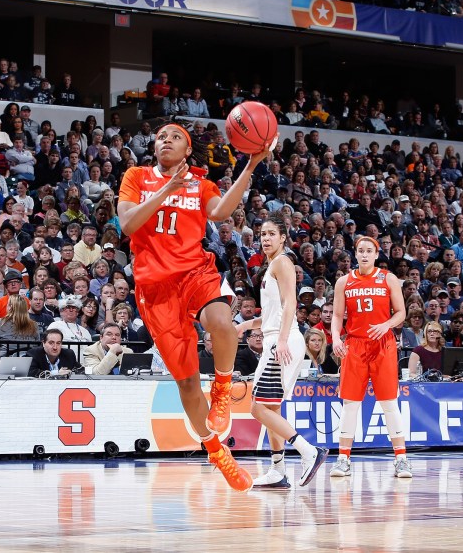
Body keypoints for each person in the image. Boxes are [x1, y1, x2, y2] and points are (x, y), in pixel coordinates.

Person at [117, 122, 270, 491]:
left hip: (195, 272)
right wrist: (167, 190)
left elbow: (219, 214)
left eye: (174, 137)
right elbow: (127, 223)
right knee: (186, 383)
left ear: (188, 151)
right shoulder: (136, 176)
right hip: (155, 288)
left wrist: (250, 167)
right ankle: (216, 452)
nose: (165, 140)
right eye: (160, 137)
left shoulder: (202, 184)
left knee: (220, 319)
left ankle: (222, 385)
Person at [235, 213, 327, 488]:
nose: (265, 238)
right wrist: (245, 326)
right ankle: (277, 470)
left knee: (257, 407)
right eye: (262, 234)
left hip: (281, 341)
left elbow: (290, 305)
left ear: (283, 237)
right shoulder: (271, 266)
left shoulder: (283, 262)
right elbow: (273, 314)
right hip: (276, 336)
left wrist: (283, 339)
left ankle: (308, 451)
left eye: (271, 233)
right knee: (271, 408)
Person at [330, 236, 410, 479]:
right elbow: (336, 316)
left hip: (383, 345)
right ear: (355, 254)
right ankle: (343, 459)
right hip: (354, 344)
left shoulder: (388, 278)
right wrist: (335, 338)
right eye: (360, 251)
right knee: (350, 404)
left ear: (376, 254)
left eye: (369, 251)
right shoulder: (344, 282)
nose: (364, 255)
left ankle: (402, 459)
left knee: (388, 403)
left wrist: (387, 325)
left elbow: (401, 313)